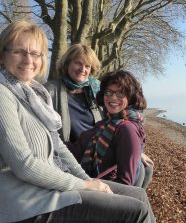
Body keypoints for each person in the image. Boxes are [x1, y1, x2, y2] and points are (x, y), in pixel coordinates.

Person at [0, 19, 155, 223]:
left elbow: (108, 124)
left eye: (35, 53)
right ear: (2, 55)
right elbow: (25, 164)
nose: (28, 60)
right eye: (19, 51)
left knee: (139, 193)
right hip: (30, 198)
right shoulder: (27, 92)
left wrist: (87, 180)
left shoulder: (38, 95)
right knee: (135, 211)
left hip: (66, 168)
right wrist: (85, 185)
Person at [45, 44, 153, 189]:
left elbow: (114, 120)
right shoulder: (50, 91)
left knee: (145, 168)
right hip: (73, 150)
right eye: (77, 62)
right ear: (67, 63)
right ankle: (129, 204)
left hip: (100, 145)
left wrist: (134, 151)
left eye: (87, 66)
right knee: (135, 175)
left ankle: (131, 202)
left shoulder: (95, 90)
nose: (82, 69)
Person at [69, 70, 150, 188]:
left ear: (131, 97)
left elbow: (125, 183)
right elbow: (78, 148)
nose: (113, 97)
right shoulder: (105, 124)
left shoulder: (127, 129)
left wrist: (90, 187)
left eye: (121, 93)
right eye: (109, 92)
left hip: (103, 194)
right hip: (88, 182)